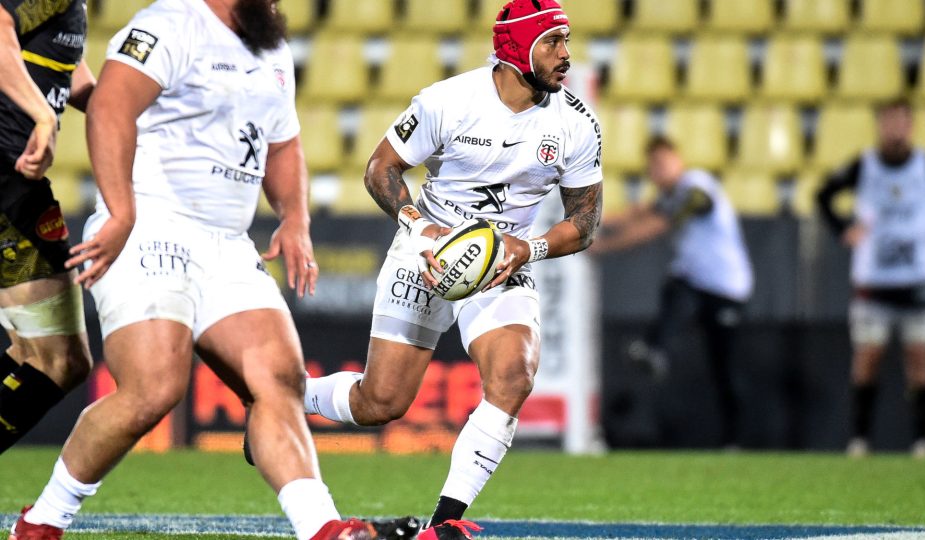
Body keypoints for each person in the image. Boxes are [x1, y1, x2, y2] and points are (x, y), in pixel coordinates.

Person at [8, 1, 418, 539]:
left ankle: (322, 528)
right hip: (151, 222)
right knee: (152, 388)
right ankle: (39, 525)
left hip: (225, 241)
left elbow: (284, 142)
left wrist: (295, 219)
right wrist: (122, 209)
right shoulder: (168, 24)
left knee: (278, 381)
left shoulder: (269, 46)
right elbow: (110, 107)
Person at [294, 1, 602, 537]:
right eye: (552, 42)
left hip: (504, 261)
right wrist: (419, 227)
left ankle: (443, 524)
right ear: (514, 48)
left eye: (566, 41)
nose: (566, 56)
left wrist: (528, 250)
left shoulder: (576, 124)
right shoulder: (448, 101)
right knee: (380, 402)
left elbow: (585, 220)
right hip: (427, 251)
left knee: (513, 376)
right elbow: (380, 168)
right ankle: (287, 402)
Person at [816, 98, 925, 459]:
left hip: (918, 281)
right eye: (889, 122)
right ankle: (860, 439)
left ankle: (922, 441)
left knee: (920, 360)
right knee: (867, 359)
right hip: (873, 282)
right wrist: (843, 229)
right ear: (880, 125)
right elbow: (822, 195)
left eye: (901, 122)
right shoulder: (863, 166)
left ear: (910, 126)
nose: (895, 129)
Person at [590, 136, 753, 447]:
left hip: (726, 286)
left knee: (725, 367)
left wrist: (604, 246)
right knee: (677, 285)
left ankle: (735, 438)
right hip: (696, 279)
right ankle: (656, 348)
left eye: (663, 163)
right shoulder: (672, 194)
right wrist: (587, 222)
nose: (659, 171)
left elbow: (655, 225)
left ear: (679, 160)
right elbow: (636, 214)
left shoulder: (697, 188)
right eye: (653, 166)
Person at [0, 0, 96, 453]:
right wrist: (41, 116)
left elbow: (73, 79)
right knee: (57, 359)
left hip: (15, 184)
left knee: (38, 356)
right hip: (7, 179)